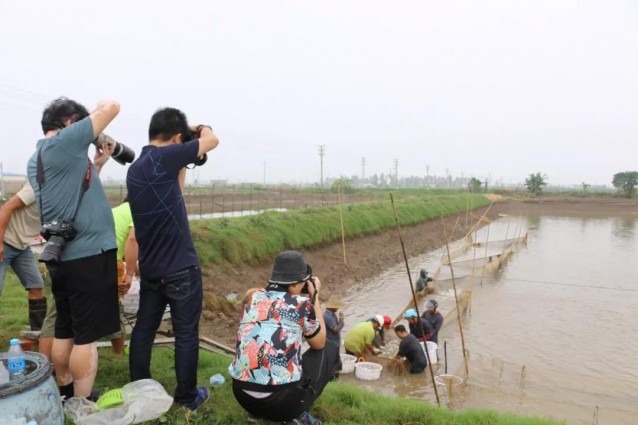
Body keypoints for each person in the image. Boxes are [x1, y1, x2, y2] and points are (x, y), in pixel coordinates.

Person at [26, 97, 121, 399]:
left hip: (64, 258)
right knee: (86, 337)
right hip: (89, 257)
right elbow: (112, 106)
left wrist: (96, 165)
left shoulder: (37, 158)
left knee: (65, 329)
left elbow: (70, 194)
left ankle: (66, 393)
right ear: (69, 123)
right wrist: (96, 111)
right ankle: (83, 403)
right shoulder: (66, 142)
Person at [127, 107, 219, 412]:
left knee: (143, 331)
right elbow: (212, 140)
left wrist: (184, 151)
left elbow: (176, 191)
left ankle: (140, 387)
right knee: (186, 334)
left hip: (152, 269)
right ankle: (186, 398)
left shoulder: (137, 166)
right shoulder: (165, 158)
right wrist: (200, 128)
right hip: (181, 267)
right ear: (177, 139)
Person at [229, 250, 337, 425]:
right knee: (329, 349)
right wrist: (314, 297)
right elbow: (320, 343)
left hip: (242, 395)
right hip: (282, 404)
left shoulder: (252, 297)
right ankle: (296, 415)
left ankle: (255, 414)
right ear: (295, 285)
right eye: (302, 283)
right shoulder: (301, 305)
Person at [0, 183, 47, 332]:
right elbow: (6, 208)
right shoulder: (37, 186)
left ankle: (38, 333)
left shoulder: (58, 196)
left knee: (36, 285)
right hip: (4, 241)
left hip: (22, 246)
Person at [107, 198, 138, 354]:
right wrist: (131, 274)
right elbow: (132, 241)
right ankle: (118, 355)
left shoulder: (115, 211)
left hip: (93, 260)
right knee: (115, 311)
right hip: (112, 263)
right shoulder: (137, 211)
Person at [323, 295, 345, 376]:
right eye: (337, 307)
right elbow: (335, 330)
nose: (338, 308)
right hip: (331, 342)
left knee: (336, 361)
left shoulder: (332, 314)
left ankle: (334, 375)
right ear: (333, 307)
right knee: (333, 361)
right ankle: (332, 377)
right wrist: (341, 321)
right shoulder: (327, 316)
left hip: (334, 341)